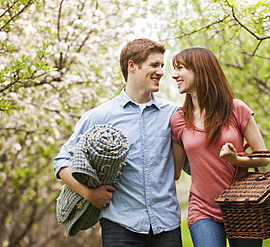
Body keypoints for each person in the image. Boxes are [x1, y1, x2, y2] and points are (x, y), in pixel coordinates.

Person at [54, 38, 182, 247]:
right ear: (132, 65)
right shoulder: (100, 115)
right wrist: (89, 193)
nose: (160, 71)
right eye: (154, 65)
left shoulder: (173, 114)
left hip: (167, 225)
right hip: (121, 226)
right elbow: (61, 162)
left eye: (161, 65)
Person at [170, 47, 269, 247]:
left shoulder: (236, 109)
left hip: (243, 206)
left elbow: (264, 157)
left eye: (180, 68)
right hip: (202, 210)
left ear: (200, 69)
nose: (174, 75)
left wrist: (236, 160)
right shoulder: (179, 120)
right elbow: (174, 172)